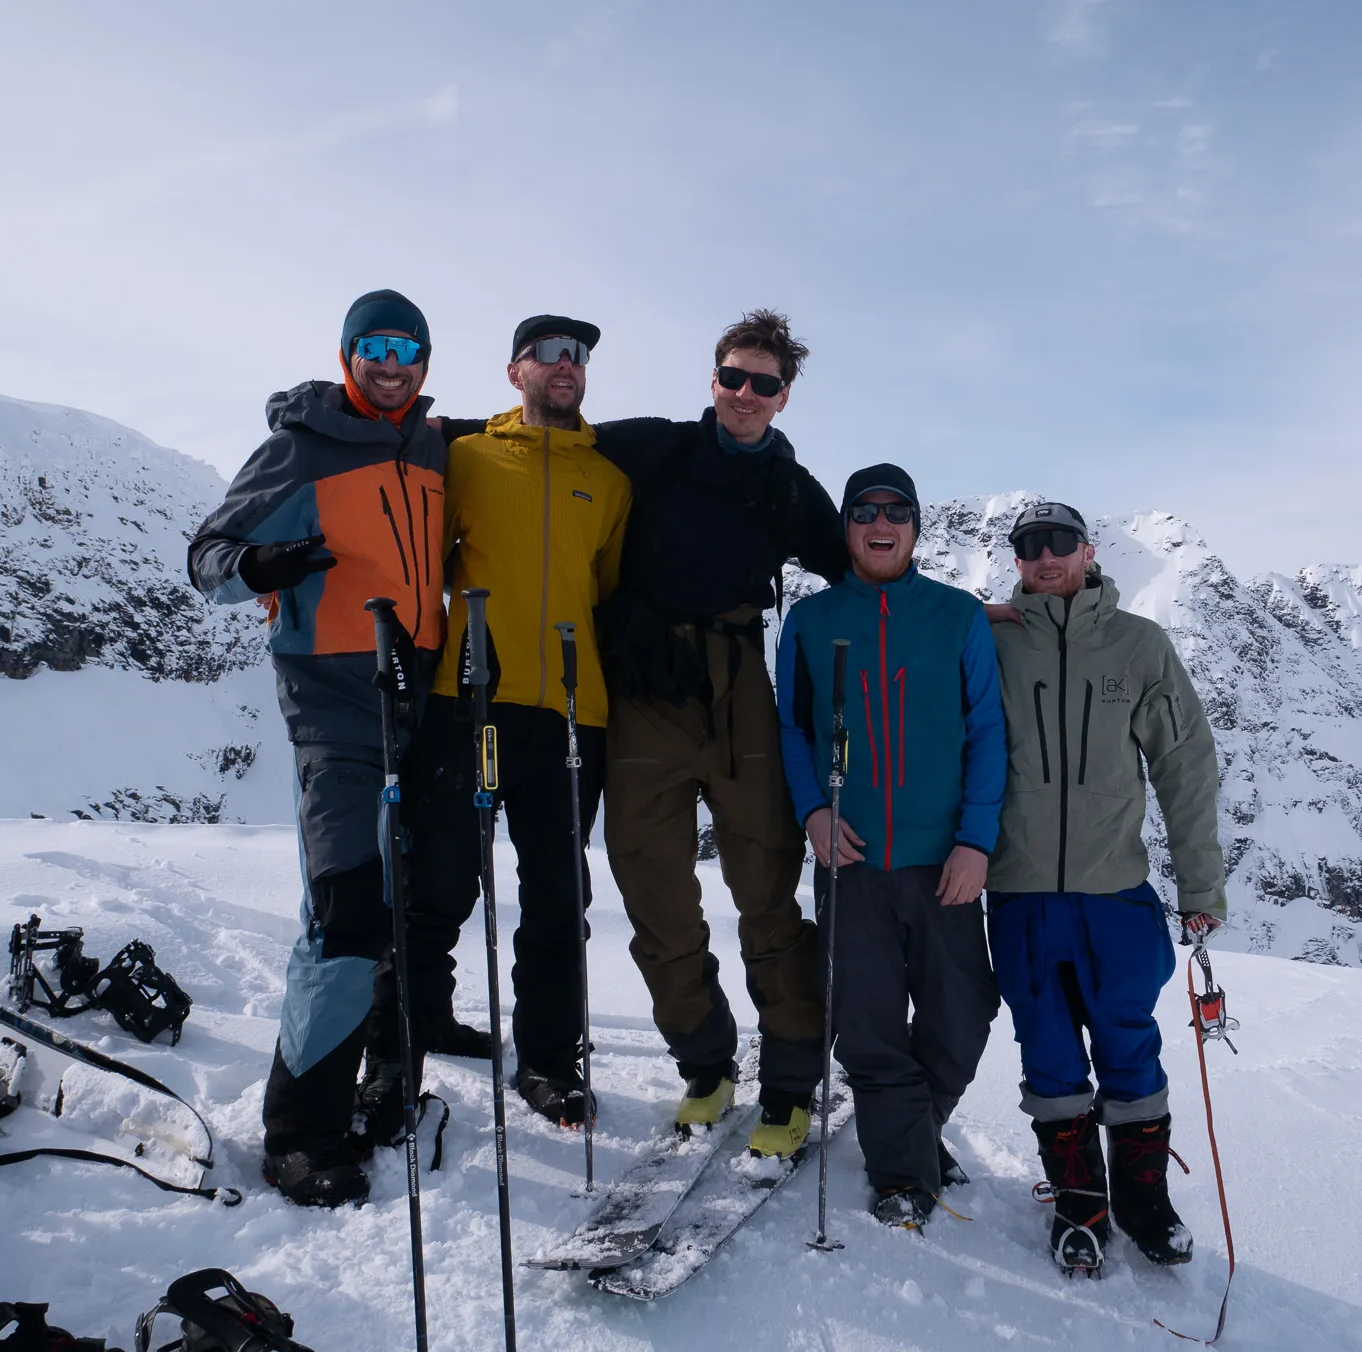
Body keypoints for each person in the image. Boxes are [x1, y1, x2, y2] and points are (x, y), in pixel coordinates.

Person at [187, 289, 446, 1206]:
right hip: (335, 710)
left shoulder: (432, 447)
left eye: (407, 349)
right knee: (342, 913)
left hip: (417, 709)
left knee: (408, 908)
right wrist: (257, 566)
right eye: (374, 347)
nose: (390, 364)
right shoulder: (299, 447)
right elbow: (207, 558)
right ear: (348, 355)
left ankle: (386, 1084)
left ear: (424, 362)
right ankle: (299, 1136)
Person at [366, 315, 631, 1130]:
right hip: (469, 702)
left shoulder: (608, 482)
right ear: (516, 370)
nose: (565, 363)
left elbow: (605, 590)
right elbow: (425, 561)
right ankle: (397, 1058)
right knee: (437, 887)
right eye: (547, 352)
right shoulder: (470, 458)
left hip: (571, 715)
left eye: (577, 353)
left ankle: (547, 1062)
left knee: (557, 897)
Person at [592, 310, 847, 1157]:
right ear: (713, 380)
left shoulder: (790, 488)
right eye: (733, 377)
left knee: (768, 895)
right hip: (647, 688)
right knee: (655, 896)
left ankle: (789, 1083)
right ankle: (706, 1064)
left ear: (783, 396)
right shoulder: (654, 448)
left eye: (762, 383)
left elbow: (863, 568)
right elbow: (546, 447)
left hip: (739, 689)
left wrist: (962, 615)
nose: (745, 393)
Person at [984, 501, 1226, 1273]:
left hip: (1116, 893)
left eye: (1060, 542)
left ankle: (1145, 1203)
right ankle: (1079, 1202)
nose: (1045, 556)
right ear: (1017, 560)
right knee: (1049, 1053)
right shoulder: (991, 642)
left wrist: (1200, 886)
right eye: (1029, 545)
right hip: (1021, 895)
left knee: (1130, 1045)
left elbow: (1184, 767)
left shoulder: (1139, 645)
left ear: (1088, 551)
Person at [776, 464, 1006, 1230]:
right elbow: (793, 727)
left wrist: (975, 842)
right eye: (865, 511)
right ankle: (902, 1169)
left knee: (963, 1016)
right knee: (870, 1025)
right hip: (852, 858)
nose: (882, 523)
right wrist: (812, 810)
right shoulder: (810, 622)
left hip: (945, 861)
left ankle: (909, 1131)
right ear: (846, 526)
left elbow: (987, 730)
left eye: (897, 510)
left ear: (915, 527)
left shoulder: (958, 615)